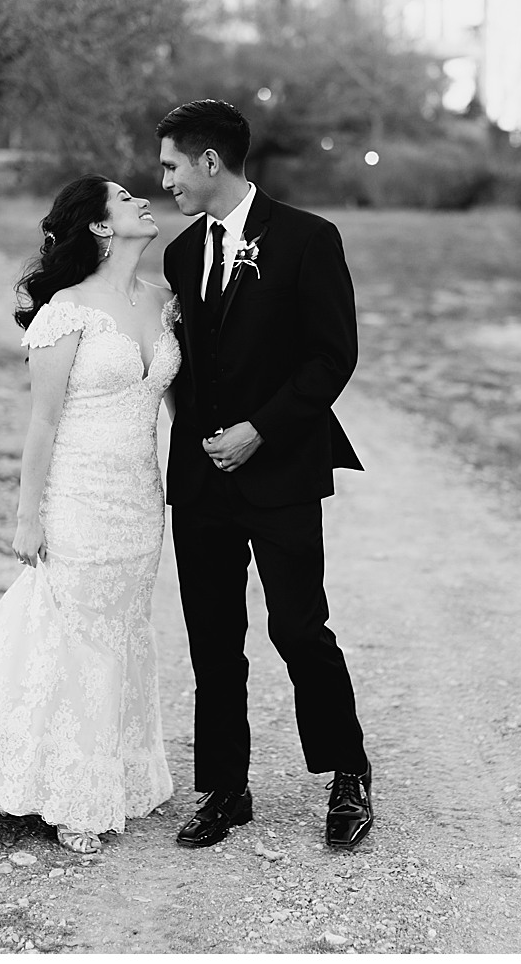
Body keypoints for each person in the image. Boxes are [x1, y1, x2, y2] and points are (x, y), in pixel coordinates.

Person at [0, 174, 177, 855]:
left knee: (123, 626)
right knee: (79, 632)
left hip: (140, 499)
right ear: (99, 227)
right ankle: (72, 794)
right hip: (79, 494)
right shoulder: (65, 311)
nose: (141, 201)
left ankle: (117, 772)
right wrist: (26, 517)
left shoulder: (163, 302)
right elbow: (41, 422)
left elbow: (179, 402)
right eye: (125, 199)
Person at [157, 99, 372, 850]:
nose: (166, 179)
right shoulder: (180, 255)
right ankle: (225, 787)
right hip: (200, 482)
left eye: (172, 165)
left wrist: (261, 430)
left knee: (299, 626)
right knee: (212, 637)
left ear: (209, 162)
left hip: (279, 470)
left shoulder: (310, 239)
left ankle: (348, 774)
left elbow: (331, 356)